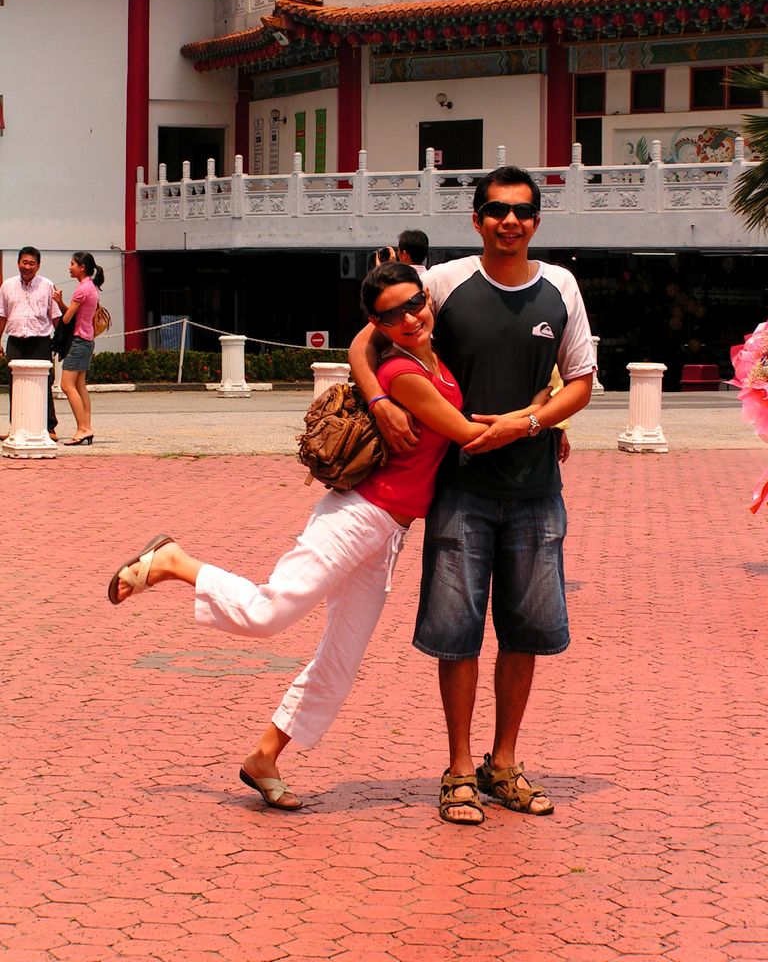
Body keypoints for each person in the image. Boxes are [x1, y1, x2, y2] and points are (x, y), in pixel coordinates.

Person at [107, 262, 550, 815]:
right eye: (392, 314)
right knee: (270, 613)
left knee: (341, 660)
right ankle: (175, 561)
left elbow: (414, 368)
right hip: (355, 516)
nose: (410, 317)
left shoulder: (434, 357)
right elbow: (467, 434)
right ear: (376, 323)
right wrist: (542, 417)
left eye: (415, 304)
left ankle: (265, 758)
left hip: (387, 532)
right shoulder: (402, 374)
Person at [349, 166, 596, 824]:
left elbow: (579, 381)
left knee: (526, 633)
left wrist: (532, 422)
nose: (508, 221)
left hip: (536, 489)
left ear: (537, 221)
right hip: (460, 491)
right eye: (495, 210)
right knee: (457, 635)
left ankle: (503, 764)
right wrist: (378, 401)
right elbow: (363, 341)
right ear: (477, 219)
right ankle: (459, 769)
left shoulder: (561, 287)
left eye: (520, 211)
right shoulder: (443, 283)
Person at [0, 247, 62, 440]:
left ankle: (49, 427)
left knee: (44, 384)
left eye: (31, 263)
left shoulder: (47, 285)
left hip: (40, 341)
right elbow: (2, 316)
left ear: (38, 265)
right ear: (18, 262)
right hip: (15, 342)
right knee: (15, 385)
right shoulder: (7, 286)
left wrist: (61, 341)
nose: (27, 266)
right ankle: (16, 428)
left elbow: (56, 317)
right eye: (24, 262)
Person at [53, 252, 103, 446]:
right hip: (87, 340)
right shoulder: (91, 286)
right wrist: (60, 303)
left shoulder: (81, 289)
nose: (69, 267)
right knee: (80, 386)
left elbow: (66, 319)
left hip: (79, 340)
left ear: (82, 267)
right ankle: (86, 427)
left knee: (67, 385)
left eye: (72, 264)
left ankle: (83, 428)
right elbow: (75, 315)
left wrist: (59, 306)